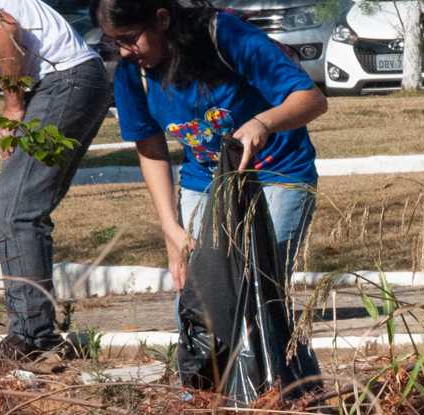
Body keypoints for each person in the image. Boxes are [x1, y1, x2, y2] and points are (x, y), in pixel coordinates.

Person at [93, 0, 326, 290]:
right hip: (204, 181)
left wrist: (263, 123)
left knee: (261, 287)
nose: (125, 51)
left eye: (130, 39)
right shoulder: (132, 72)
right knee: (200, 298)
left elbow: (312, 99)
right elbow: (151, 151)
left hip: (277, 172)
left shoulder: (226, 37)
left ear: (162, 19)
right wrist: (171, 229)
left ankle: (279, 335)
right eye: (115, 42)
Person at [0, 0, 113, 360]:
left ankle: (32, 339)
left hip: (64, 80)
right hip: (73, 79)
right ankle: (35, 335)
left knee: (14, 209)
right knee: (23, 208)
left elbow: (5, 28)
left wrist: (13, 107)